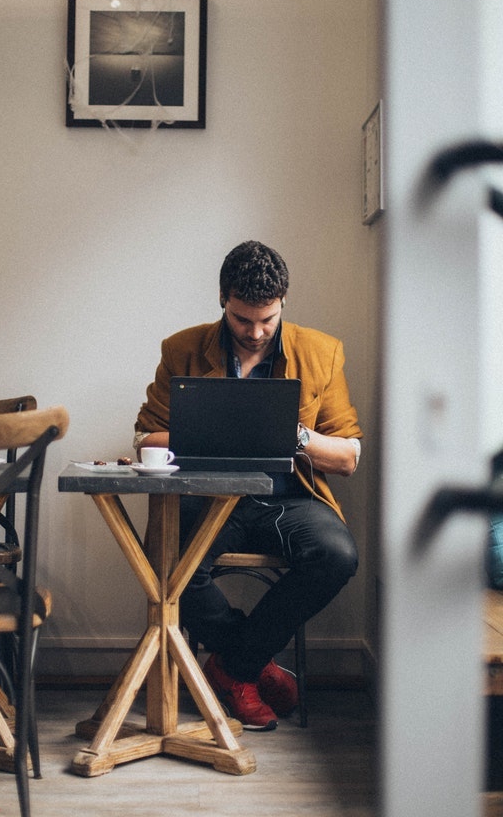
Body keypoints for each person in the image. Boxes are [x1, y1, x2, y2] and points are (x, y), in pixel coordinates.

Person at [134, 240, 362, 731]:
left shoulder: (322, 352)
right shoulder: (182, 348)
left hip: (291, 499)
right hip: (210, 497)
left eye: (268, 319)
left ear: (284, 303)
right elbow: (145, 437)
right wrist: (212, 431)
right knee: (166, 558)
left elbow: (347, 456)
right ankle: (250, 664)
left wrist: (296, 435)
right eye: (243, 320)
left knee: (338, 556)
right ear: (222, 299)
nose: (256, 332)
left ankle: (234, 666)